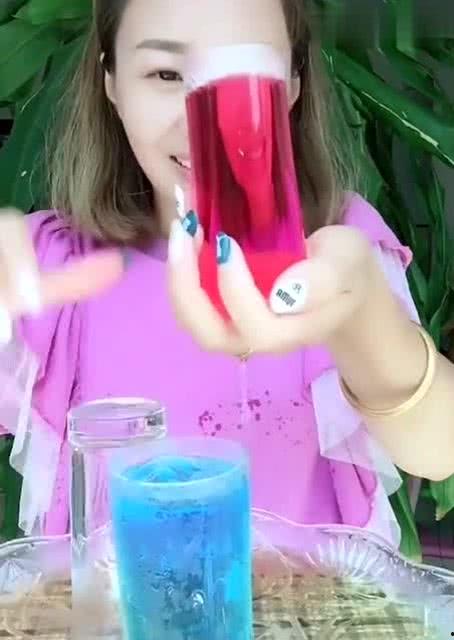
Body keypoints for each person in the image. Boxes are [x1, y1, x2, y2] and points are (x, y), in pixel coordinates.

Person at [0, 0, 453, 544]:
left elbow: (439, 448)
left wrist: (363, 315)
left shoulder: (340, 248)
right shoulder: (50, 266)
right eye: (166, 74)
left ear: (292, 86)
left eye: (246, 76)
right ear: (112, 82)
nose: (206, 122)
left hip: (309, 599)